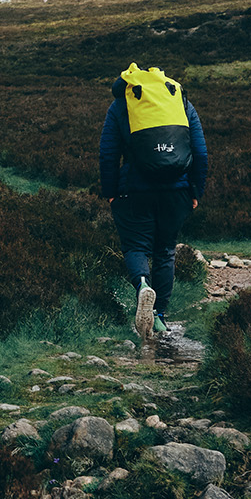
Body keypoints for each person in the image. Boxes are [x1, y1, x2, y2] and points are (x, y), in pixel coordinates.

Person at [99, 63, 208, 348]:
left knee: (136, 247)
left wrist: (110, 191)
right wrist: (196, 189)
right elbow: (200, 149)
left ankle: (143, 286)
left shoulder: (121, 105)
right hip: (178, 190)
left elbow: (108, 152)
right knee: (165, 251)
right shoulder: (179, 100)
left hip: (135, 189)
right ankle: (158, 317)